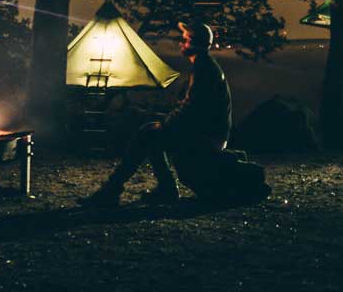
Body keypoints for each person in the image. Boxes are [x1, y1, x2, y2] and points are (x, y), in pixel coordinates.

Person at [80, 20, 232, 207]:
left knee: (148, 134)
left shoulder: (203, 69)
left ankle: (116, 190)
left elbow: (191, 109)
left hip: (208, 137)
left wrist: (165, 124)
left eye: (185, 40)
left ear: (194, 43)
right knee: (151, 132)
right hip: (208, 133)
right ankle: (161, 189)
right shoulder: (205, 66)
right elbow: (191, 109)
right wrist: (164, 121)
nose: (181, 43)